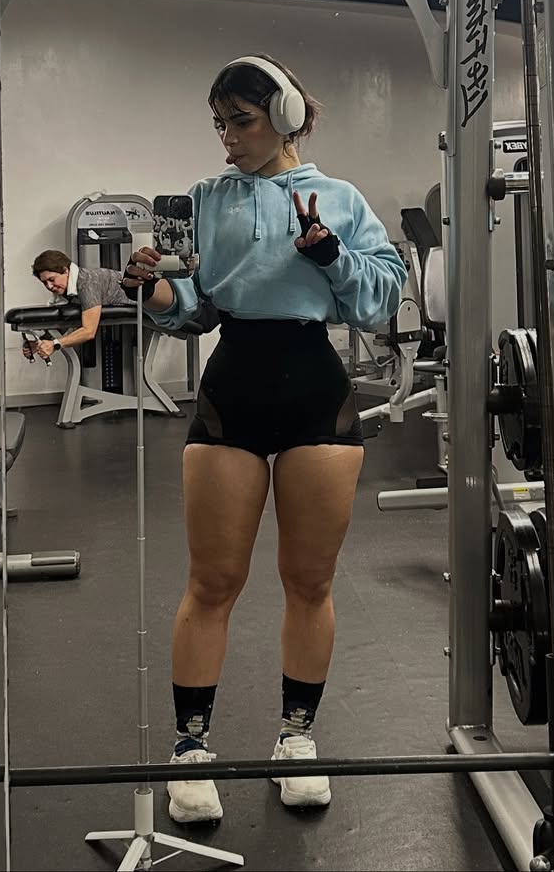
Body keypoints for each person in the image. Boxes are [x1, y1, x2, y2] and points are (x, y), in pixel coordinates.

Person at [122, 54, 407, 822]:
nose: (227, 138)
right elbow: (193, 309)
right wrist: (156, 289)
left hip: (315, 391)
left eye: (240, 122)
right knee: (213, 582)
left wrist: (329, 253)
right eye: (218, 124)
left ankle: (296, 739)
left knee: (310, 582)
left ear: (283, 119)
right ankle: (190, 750)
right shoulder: (204, 200)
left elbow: (381, 296)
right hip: (234, 389)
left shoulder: (339, 199)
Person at [27, 249, 129, 360]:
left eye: (52, 279)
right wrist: (39, 344)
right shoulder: (64, 291)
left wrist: (55, 344)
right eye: (44, 282)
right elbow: (65, 325)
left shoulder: (86, 282)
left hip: (140, 304)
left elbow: (88, 331)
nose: (49, 286)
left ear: (66, 271)